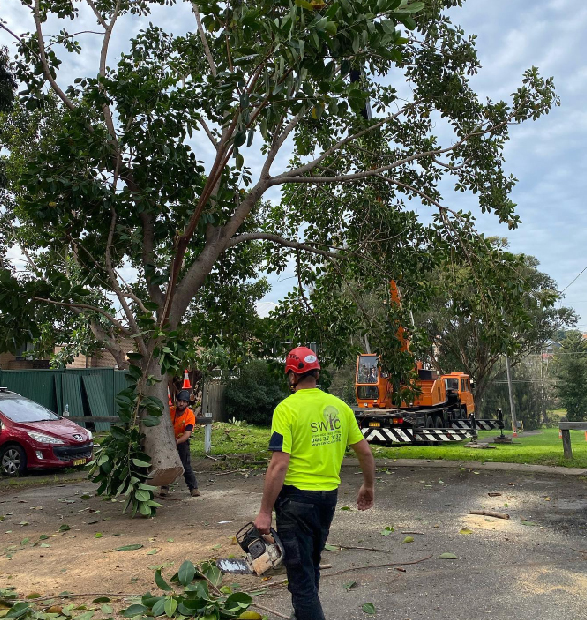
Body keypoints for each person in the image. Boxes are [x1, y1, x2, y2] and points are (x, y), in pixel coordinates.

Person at [253, 347, 375, 620]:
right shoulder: (340, 407)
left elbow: (279, 464)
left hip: (295, 502)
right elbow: (365, 452)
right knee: (310, 564)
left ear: (292, 375)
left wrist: (264, 511)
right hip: (326, 500)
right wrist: (368, 486)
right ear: (317, 373)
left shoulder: (287, 409)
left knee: (300, 578)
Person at [160, 389, 200, 498]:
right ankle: (164, 488)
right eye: (179, 401)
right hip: (168, 441)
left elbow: (187, 434)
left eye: (184, 401)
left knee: (186, 465)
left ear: (187, 403)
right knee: (167, 465)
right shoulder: (170, 411)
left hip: (181, 441)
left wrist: (177, 442)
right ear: (176, 401)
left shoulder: (189, 415)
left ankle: (193, 488)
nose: (181, 403)